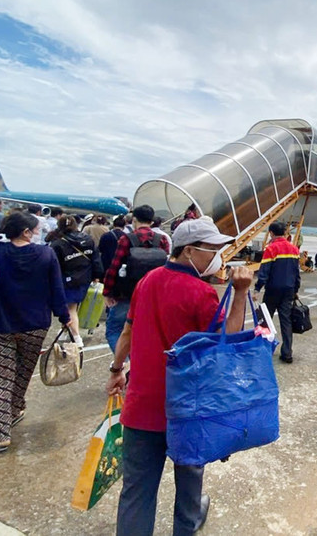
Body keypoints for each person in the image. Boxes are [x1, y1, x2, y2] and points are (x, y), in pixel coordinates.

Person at [106, 217, 254, 536]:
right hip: (188, 413)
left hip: (142, 406)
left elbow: (128, 331)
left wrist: (117, 370)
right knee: (188, 488)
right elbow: (224, 346)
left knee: (136, 492)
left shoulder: (147, 281)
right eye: (212, 249)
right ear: (189, 251)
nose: (218, 256)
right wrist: (240, 294)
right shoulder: (201, 293)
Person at [0, 211, 70, 452]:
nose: (38, 232)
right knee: (21, 374)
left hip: (0, 324)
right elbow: (56, 289)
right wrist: (64, 317)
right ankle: (14, 409)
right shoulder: (46, 254)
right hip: (35, 325)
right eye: (35, 228)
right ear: (25, 232)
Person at [102, 205, 170, 353]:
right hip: (152, 294)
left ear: (134, 220)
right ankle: (136, 364)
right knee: (144, 332)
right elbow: (166, 269)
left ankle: (125, 364)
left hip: (127, 293)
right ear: (151, 222)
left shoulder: (126, 239)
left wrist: (108, 292)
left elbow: (114, 266)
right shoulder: (162, 239)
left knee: (114, 330)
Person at [49, 215, 103, 346]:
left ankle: (76, 337)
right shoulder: (88, 239)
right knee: (72, 306)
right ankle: (65, 330)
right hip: (85, 278)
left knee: (70, 308)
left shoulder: (58, 243)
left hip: (67, 279)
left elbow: (54, 265)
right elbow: (95, 259)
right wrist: (97, 275)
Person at [254, 221, 301, 363]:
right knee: (286, 321)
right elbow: (296, 273)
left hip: (273, 289)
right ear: (285, 233)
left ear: (271, 233)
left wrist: (257, 288)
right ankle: (287, 353)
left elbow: (264, 271)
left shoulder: (271, 249)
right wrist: (296, 289)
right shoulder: (294, 249)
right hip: (289, 290)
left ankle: (263, 348)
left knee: (265, 320)